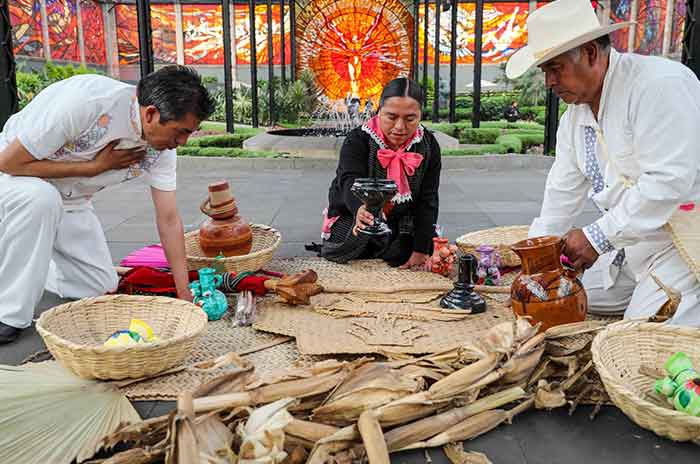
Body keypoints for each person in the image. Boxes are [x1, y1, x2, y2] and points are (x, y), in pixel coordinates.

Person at [506, 0, 700, 326]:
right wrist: (536, 258)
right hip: (630, 247)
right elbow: (561, 192)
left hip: (683, 241)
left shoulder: (658, 86)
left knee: (638, 336)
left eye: (555, 68)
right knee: (562, 293)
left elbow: (668, 182)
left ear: (592, 53)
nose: (549, 82)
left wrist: (596, 237)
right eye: (545, 72)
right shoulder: (574, 118)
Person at [0, 65, 216, 343]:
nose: (182, 142)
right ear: (151, 114)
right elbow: (9, 162)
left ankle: (34, 259)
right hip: (15, 181)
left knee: (99, 286)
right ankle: (7, 314)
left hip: (70, 200)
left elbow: (169, 219)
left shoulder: (161, 148)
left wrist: (184, 292)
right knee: (41, 199)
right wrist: (93, 168)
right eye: (180, 132)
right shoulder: (86, 103)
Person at [318, 77, 441, 270]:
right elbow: (349, 180)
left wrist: (420, 251)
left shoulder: (428, 144)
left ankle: (394, 243)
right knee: (353, 241)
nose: (400, 127)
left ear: (420, 115)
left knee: (414, 247)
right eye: (391, 117)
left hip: (403, 218)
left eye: (410, 119)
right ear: (378, 111)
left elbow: (428, 197)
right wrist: (360, 208)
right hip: (353, 213)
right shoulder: (357, 139)